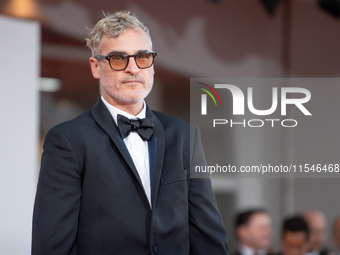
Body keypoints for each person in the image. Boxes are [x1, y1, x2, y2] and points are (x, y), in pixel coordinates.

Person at [31, 10, 228, 255]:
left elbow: (208, 236)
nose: (133, 69)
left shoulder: (185, 135)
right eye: (118, 58)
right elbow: (51, 246)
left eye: (142, 57)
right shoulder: (68, 140)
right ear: (96, 66)